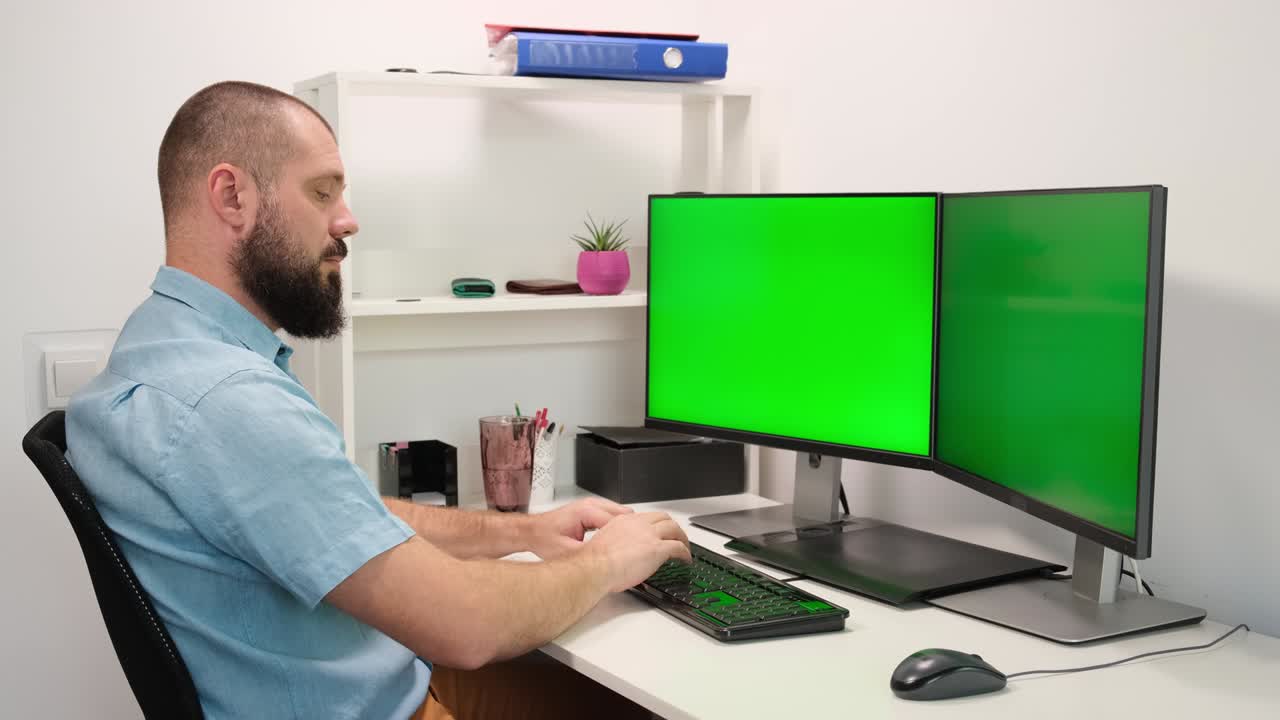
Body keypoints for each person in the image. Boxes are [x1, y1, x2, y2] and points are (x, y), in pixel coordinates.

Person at [66, 80, 691, 720]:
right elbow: (467, 625)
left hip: (387, 682)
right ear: (232, 196)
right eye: (322, 192)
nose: (348, 220)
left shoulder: (161, 347)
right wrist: (607, 562)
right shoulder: (229, 403)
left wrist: (524, 532)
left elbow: (346, 518)